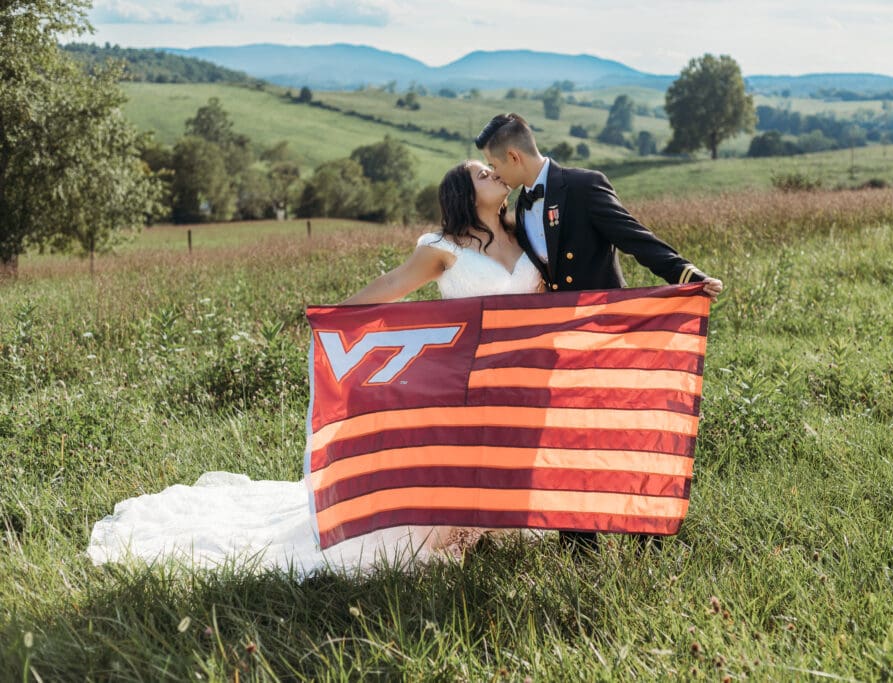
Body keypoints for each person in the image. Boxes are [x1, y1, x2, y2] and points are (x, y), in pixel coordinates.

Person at [88, 160, 543, 576]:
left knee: (507, 449)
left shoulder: (526, 234)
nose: (495, 175)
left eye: (492, 170)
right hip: (465, 370)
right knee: (461, 456)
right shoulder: (444, 248)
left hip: (519, 372)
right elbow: (394, 284)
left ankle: (496, 522)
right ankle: (451, 531)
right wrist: (335, 318)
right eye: (483, 174)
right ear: (464, 193)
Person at [475, 112, 723, 554]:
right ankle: (579, 546)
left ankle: (649, 538)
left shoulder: (584, 185)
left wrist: (685, 273)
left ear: (514, 155)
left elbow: (633, 236)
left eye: (496, 166)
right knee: (571, 440)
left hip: (608, 336)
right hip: (562, 344)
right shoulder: (519, 206)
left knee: (622, 437)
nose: (495, 175)